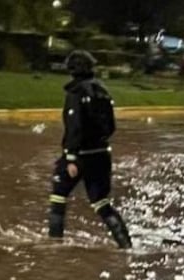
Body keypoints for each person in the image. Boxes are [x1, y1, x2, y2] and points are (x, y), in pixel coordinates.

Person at [47, 50, 132, 249]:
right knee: (101, 202)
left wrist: (71, 158)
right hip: (102, 154)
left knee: (58, 194)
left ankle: (53, 245)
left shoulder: (76, 93)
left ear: (72, 70)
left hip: (80, 155)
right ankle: (126, 246)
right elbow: (111, 127)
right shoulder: (103, 92)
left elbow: (74, 127)